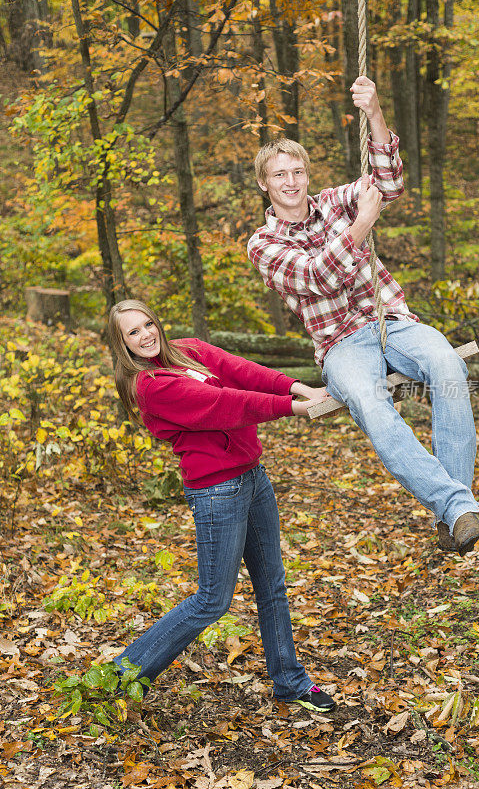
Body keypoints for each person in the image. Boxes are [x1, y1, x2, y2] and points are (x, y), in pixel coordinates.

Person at [248, 76, 479, 557]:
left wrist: (376, 113)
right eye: (280, 175)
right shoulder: (264, 244)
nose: (292, 181)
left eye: (298, 171)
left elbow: (390, 183)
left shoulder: (334, 201)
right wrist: (362, 224)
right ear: (264, 184)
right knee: (367, 400)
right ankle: (456, 506)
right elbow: (321, 277)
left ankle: (454, 512)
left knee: (447, 366)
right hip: (340, 346)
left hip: (392, 321)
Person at [106, 298, 336, 712]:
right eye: (133, 332)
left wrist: (297, 386)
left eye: (147, 324)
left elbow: (240, 370)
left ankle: (290, 682)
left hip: (253, 477)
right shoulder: (153, 385)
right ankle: (121, 674)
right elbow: (227, 405)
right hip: (217, 491)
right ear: (121, 343)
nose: (145, 336)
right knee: (212, 600)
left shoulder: (187, 350)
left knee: (272, 586)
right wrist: (294, 408)